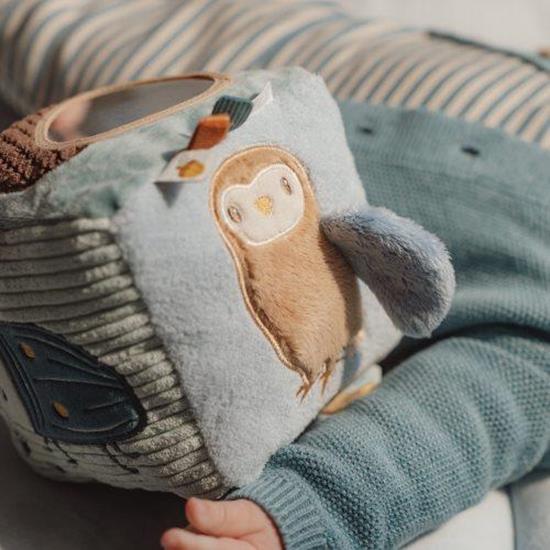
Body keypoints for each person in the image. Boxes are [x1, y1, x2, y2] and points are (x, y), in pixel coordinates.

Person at [0, 2, 549, 548]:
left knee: (44, 32)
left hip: (162, 163)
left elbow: (468, 416)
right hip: (274, 45)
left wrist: (306, 508)